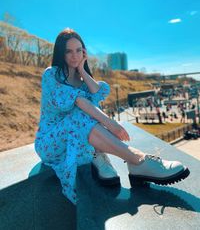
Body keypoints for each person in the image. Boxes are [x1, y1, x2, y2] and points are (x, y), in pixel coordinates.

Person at [34, 28, 190, 205]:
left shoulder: (81, 78)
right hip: (49, 143)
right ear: (61, 53)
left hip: (77, 138)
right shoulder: (52, 75)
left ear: (84, 52)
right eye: (68, 51)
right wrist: (111, 124)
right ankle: (137, 160)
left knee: (90, 104)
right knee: (79, 114)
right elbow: (79, 102)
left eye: (79, 50)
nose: (74, 55)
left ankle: (99, 155)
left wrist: (82, 70)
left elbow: (97, 94)